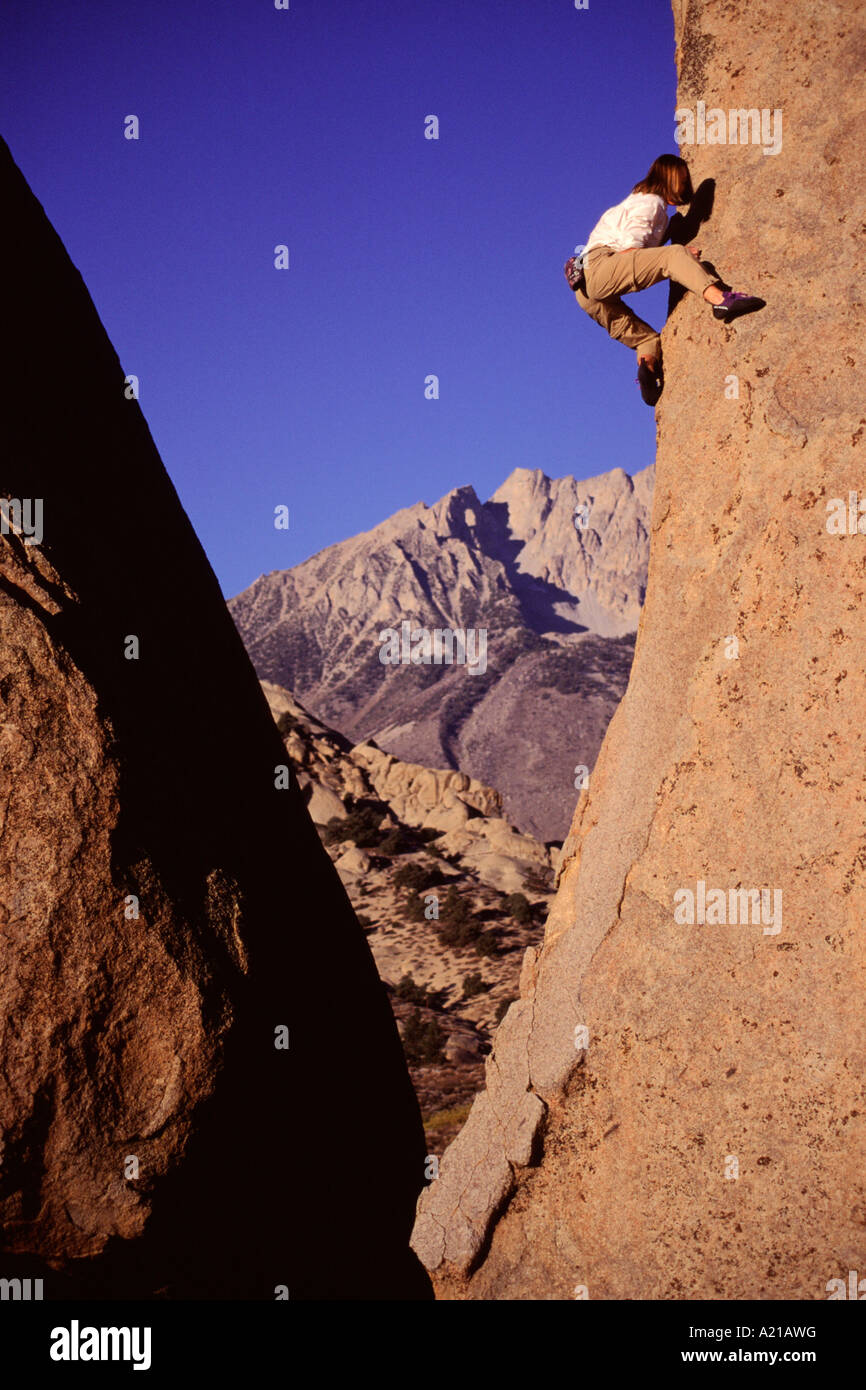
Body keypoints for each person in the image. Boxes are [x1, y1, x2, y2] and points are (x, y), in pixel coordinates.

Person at [573, 154, 764, 405]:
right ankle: (720, 300)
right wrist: (678, 256)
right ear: (669, 178)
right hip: (600, 268)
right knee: (674, 256)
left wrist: (671, 231)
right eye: (682, 182)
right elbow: (631, 250)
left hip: (584, 291)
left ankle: (649, 370)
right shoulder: (651, 203)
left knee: (646, 339)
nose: (685, 188)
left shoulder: (636, 203)